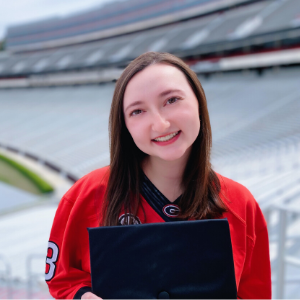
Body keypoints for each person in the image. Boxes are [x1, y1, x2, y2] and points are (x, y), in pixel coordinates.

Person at [45, 52, 271, 299]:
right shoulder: (87, 194)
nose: (161, 124)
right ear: (125, 126)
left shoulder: (240, 203)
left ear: (199, 101)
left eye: (172, 100)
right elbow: (61, 277)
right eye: (137, 111)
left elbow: (255, 293)